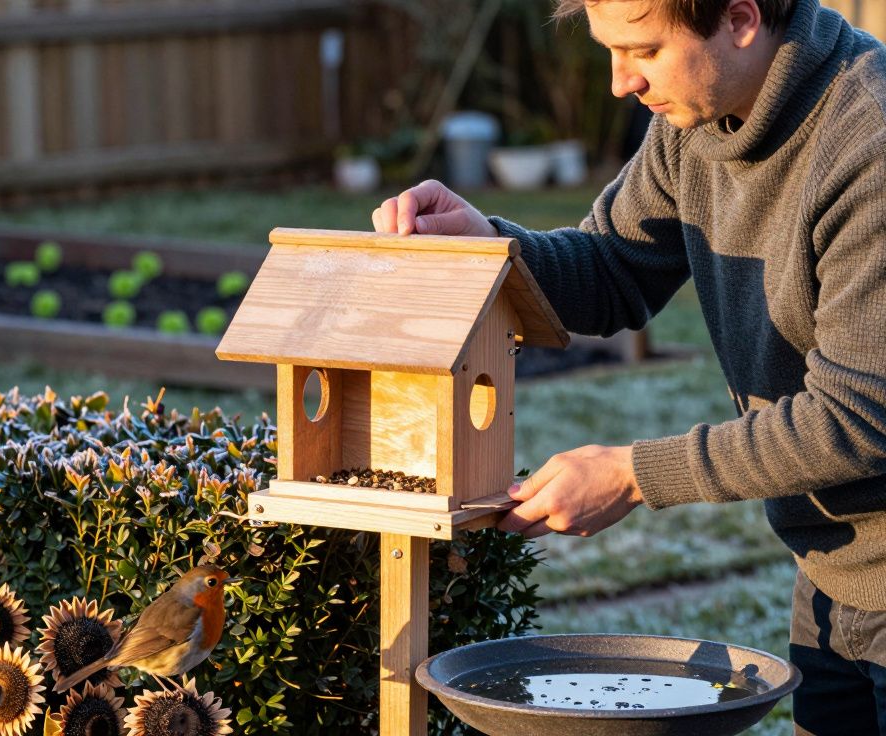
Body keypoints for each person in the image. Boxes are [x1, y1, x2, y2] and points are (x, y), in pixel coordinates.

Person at [372, 0, 886, 732]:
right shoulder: (699, 117)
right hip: (835, 565)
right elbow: (615, 269)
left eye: (641, 50)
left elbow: (857, 419)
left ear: (740, 20)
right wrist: (487, 246)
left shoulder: (868, 141)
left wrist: (634, 474)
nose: (621, 83)